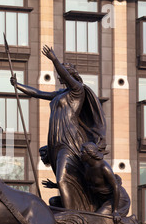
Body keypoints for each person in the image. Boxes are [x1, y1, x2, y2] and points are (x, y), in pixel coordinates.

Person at [11, 45, 106, 212]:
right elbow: (37, 93)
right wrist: (18, 85)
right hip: (55, 141)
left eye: (66, 71)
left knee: (63, 179)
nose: (61, 73)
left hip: (70, 140)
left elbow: (64, 74)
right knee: (65, 179)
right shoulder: (59, 94)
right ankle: (73, 210)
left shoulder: (78, 91)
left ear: (72, 75)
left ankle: (71, 219)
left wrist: (54, 59)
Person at [80, 142, 130, 222]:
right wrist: (56, 185)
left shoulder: (103, 167)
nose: (80, 154)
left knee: (96, 219)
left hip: (117, 199)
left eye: (82, 152)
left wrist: (115, 211)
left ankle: (131, 220)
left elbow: (115, 187)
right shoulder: (87, 166)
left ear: (90, 154)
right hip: (102, 199)